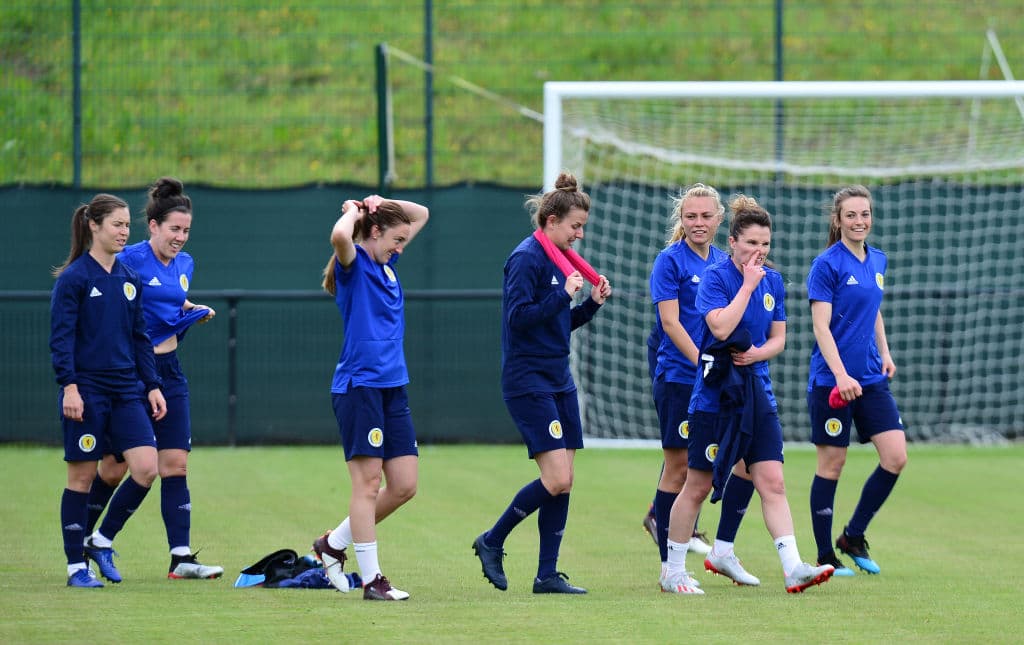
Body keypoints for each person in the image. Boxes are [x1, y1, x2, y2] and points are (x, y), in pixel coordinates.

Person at [660, 195, 834, 595]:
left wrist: (758, 352)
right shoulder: (717, 278)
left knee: (772, 481)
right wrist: (747, 286)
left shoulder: (772, 281)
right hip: (715, 396)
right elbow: (719, 329)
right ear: (734, 241)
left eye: (765, 244)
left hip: (759, 394)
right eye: (752, 243)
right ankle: (672, 569)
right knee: (698, 485)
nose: (759, 252)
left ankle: (793, 567)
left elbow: (779, 338)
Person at [472, 171, 611, 595]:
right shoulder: (527, 258)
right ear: (551, 222)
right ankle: (491, 540)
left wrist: (589, 306)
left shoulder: (560, 260)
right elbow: (518, 319)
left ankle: (546, 575)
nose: (580, 235)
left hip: (558, 379)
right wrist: (562, 296)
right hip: (527, 379)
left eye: (582, 227)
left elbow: (556, 324)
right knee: (556, 478)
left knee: (565, 478)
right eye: (575, 226)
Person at [83, 178, 223, 581]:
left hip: (170, 371)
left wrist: (193, 308)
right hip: (132, 375)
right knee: (114, 469)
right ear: (154, 226)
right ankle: (86, 542)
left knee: (175, 465)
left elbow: (172, 299)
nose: (180, 237)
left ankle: (180, 558)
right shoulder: (129, 260)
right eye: (174, 229)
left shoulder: (185, 264)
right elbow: (117, 308)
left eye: (186, 231)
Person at [311, 194, 429, 601]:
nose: (401, 246)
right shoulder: (355, 265)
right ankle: (371, 580)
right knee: (366, 484)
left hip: (393, 387)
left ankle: (332, 544)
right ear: (375, 233)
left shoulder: (387, 263)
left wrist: (383, 201)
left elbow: (421, 214)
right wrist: (354, 211)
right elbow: (339, 236)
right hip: (360, 388)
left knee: (405, 485)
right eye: (395, 239)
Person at [50, 193, 165, 588]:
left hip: (125, 390)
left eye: (126, 226)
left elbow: (139, 337)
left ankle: (99, 541)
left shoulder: (129, 279)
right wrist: (70, 387)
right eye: (116, 224)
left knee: (148, 468)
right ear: (93, 226)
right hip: (87, 391)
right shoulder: (74, 279)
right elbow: (61, 339)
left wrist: (151, 385)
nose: (123, 232)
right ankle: (74, 567)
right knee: (81, 478)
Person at [646, 184, 759, 588]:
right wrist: (703, 364)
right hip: (681, 379)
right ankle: (668, 568)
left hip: (720, 382)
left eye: (706, 216)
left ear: (719, 220)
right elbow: (671, 323)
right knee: (679, 471)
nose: (698, 223)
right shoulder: (669, 261)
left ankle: (723, 551)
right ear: (682, 219)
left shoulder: (723, 263)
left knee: (743, 463)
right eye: (691, 216)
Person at [807, 184, 907, 576]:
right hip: (832, 381)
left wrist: (885, 352)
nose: (859, 221)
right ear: (838, 219)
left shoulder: (877, 259)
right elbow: (821, 326)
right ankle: (824, 556)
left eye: (864, 214)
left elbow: (873, 310)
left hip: (870, 378)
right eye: (851, 215)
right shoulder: (827, 264)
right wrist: (840, 374)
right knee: (832, 464)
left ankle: (852, 536)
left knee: (896, 457)